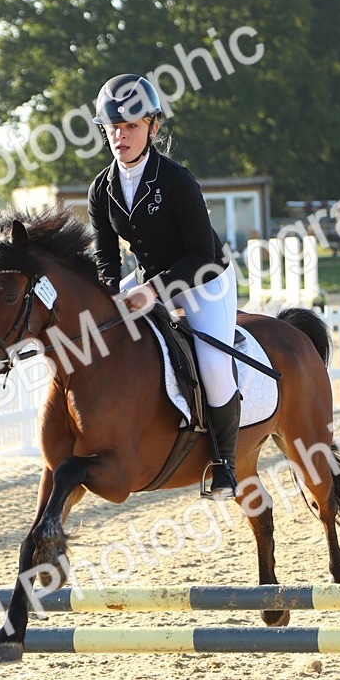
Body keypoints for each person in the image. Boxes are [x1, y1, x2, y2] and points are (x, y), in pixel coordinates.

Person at [87, 73, 240, 499]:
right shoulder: (102, 188)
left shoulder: (177, 180)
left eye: (132, 126)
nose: (122, 135)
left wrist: (152, 292)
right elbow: (106, 256)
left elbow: (200, 255)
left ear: (152, 127)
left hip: (205, 278)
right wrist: (111, 292)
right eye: (113, 128)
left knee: (211, 364)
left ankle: (225, 464)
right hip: (149, 277)